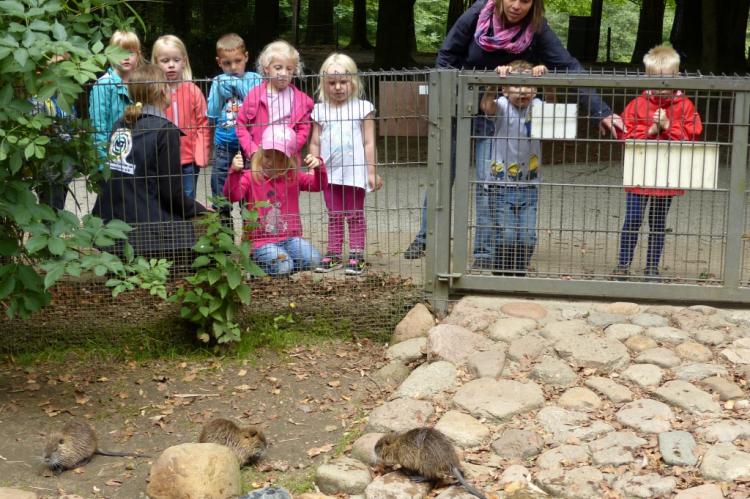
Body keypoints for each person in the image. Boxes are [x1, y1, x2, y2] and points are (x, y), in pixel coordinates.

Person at [403, 0, 623, 263]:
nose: (517, 5)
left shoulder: (537, 28)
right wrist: (450, 100)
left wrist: (602, 110)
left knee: (489, 183)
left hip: (497, 113)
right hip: (459, 107)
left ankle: (485, 252)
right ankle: (426, 237)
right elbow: (446, 57)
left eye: (526, 0)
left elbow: (568, 66)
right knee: (442, 174)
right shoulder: (476, 15)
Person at [92, 64, 208, 264]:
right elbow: (171, 193)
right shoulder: (165, 130)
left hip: (112, 225)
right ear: (162, 91)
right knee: (207, 231)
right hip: (148, 233)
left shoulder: (120, 124)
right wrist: (200, 210)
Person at [613, 45, 702, 280]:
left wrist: (668, 126)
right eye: (655, 80)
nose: (661, 86)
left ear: (677, 77)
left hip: (667, 174)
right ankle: (623, 264)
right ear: (646, 77)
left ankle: (652, 267)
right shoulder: (637, 104)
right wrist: (651, 129)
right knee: (632, 218)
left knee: (658, 222)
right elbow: (625, 135)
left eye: (667, 80)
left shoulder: (686, 106)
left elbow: (691, 136)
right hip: (640, 172)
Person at [309, 53, 382, 275]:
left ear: (354, 82)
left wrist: (371, 172)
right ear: (324, 84)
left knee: (354, 213)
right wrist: (314, 167)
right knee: (334, 213)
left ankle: (357, 254)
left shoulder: (363, 108)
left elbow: (369, 142)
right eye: (332, 83)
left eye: (343, 81)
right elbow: (314, 142)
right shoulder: (320, 110)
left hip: (355, 174)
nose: (338, 87)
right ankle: (333, 254)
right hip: (330, 174)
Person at [223, 125, 327, 276]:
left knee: (314, 260)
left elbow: (318, 186)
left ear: (288, 159)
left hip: (290, 238)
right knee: (284, 266)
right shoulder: (250, 176)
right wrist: (234, 173)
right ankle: (257, 262)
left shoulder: (292, 176)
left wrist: (319, 168)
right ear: (260, 152)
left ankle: (279, 262)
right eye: (267, 156)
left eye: (278, 159)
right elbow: (233, 196)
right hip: (261, 241)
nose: (270, 162)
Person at [480, 60, 545, 276]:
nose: (523, 91)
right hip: (501, 185)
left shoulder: (538, 107)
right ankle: (501, 273)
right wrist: (494, 80)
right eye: (516, 85)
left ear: (535, 90)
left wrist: (548, 81)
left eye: (528, 85)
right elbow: (486, 107)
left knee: (527, 236)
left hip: (529, 186)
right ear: (505, 90)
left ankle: (518, 273)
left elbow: (554, 106)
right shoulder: (501, 105)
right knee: (506, 235)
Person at [206, 33, 262, 218]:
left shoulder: (255, 79)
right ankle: (224, 237)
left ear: (246, 57)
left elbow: (255, 108)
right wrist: (219, 92)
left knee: (250, 195)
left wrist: (237, 85)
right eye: (227, 63)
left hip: (249, 145)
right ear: (218, 62)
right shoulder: (218, 81)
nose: (233, 67)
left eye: (238, 61)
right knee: (220, 192)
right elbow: (212, 114)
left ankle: (251, 238)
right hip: (224, 144)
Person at [151, 34, 211, 199]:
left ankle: (184, 226)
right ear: (156, 63)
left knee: (187, 198)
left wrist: (201, 154)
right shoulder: (154, 93)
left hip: (188, 160)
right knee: (161, 198)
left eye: (176, 60)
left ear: (184, 61)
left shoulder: (193, 91)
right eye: (165, 61)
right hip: (160, 159)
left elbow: (203, 124)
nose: (171, 65)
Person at [235, 40, 313, 164]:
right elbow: (240, 125)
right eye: (278, 68)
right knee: (258, 183)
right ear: (267, 68)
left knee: (288, 184)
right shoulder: (255, 95)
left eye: (289, 69)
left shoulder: (300, 100)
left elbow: (303, 130)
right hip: (260, 157)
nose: (284, 73)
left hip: (287, 159)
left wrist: (290, 148)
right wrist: (252, 150)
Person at [89, 30, 143, 161]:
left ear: (138, 55)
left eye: (130, 52)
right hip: (112, 157)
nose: (126, 57)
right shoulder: (103, 85)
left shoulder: (141, 83)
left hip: (137, 155)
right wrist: (103, 164)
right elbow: (98, 128)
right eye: (120, 52)